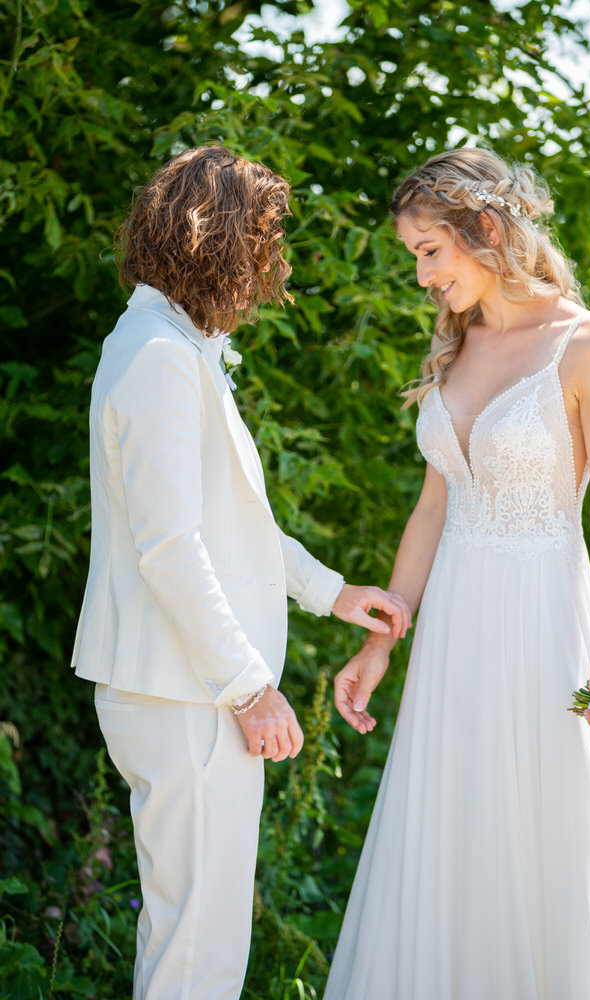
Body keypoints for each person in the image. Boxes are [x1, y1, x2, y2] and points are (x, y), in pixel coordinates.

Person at [70, 145, 410, 1000]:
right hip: (186, 693)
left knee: (196, 933)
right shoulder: (156, 355)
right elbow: (170, 548)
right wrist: (250, 688)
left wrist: (332, 592)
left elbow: (229, 530)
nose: (272, 263)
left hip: (185, 688)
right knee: (199, 946)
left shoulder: (170, 343)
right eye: (263, 239)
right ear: (219, 240)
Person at [324, 148, 590, 999]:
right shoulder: (458, 349)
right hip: (452, 648)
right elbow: (434, 510)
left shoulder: (587, 346)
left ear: (486, 229)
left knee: (539, 848)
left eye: (429, 251)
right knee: (451, 839)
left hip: (544, 632)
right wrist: (382, 643)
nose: (423, 276)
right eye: (413, 259)